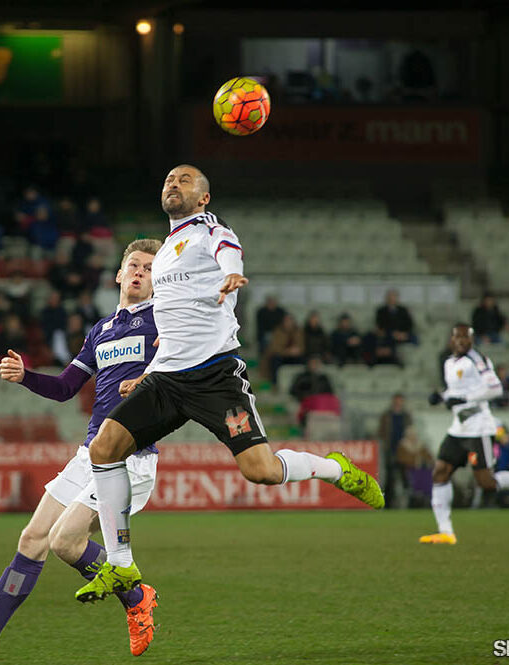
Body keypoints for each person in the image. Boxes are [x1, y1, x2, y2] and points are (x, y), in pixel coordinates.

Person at [74, 164, 383, 607]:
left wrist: (232, 272)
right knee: (105, 448)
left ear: (203, 199)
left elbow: (227, 247)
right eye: (167, 180)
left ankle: (336, 469)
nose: (172, 184)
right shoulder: (162, 257)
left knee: (261, 471)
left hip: (214, 376)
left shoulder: (207, 231)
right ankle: (121, 561)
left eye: (184, 180)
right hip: (166, 379)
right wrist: (150, 370)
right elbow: (173, 326)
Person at [0, 239, 163, 663]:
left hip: (130, 456)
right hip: (89, 454)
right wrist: (25, 377)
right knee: (33, 538)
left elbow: (180, 370)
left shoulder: (165, 322)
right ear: (119, 274)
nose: (140, 272)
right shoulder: (102, 331)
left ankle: (136, 594)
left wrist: (148, 379)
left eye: (149, 267)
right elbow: (65, 388)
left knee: (65, 542)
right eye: (134, 265)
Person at [421, 324, 509, 545]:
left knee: (486, 482)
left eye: (465, 338)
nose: (461, 341)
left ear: (471, 340)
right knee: (440, 472)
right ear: (451, 340)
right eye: (457, 337)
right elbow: (455, 391)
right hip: (459, 428)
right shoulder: (449, 363)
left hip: (479, 428)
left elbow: (496, 388)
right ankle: (446, 532)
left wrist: (466, 399)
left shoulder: (478, 360)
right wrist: (440, 396)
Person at [377, 393, 413, 508]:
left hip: (403, 450)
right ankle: (388, 504)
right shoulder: (387, 416)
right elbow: (381, 431)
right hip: (390, 450)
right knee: (390, 478)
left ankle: (409, 503)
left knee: (405, 477)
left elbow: (410, 432)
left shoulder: (406, 416)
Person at [289, 355, 338, 427]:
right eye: (313, 363)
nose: (315, 365)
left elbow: (330, 393)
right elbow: (293, 391)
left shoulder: (324, 378)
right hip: (305, 403)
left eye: (317, 363)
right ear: (308, 363)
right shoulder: (301, 377)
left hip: (321, 404)